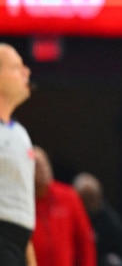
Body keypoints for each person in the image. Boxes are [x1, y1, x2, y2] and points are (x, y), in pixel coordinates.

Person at [0, 43, 37, 266]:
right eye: (16, 67)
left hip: (16, 245)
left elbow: (21, 211)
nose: (27, 72)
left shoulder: (20, 134)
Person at [32, 145, 97, 266]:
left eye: (45, 163)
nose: (43, 169)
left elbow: (85, 241)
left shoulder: (69, 197)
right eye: (36, 165)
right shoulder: (21, 201)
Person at [72, 172, 122, 266]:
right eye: (84, 198)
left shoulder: (110, 223)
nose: (87, 204)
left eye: (91, 198)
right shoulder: (68, 216)